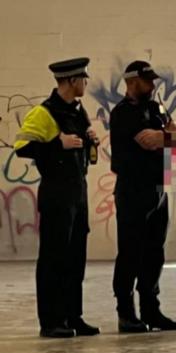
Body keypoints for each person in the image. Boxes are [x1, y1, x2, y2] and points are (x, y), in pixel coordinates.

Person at [14, 58, 100, 338]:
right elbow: (22, 146)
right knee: (54, 259)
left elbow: (80, 148)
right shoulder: (44, 112)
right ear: (72, 80)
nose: (86, 83)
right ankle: (51, 321)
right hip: (56, 193)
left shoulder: (78, 111)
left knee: (76, 258)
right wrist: (56, 144)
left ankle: (73, 317)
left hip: (78, 192)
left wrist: (90, 140)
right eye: (83, 79)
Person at [109, 60, 176, 333]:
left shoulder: (156, 107)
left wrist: (164, 136)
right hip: (133, 191)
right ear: (131, 82)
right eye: (147, 81)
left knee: (154, 253)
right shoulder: (122, 114)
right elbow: (150, 140)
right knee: (130, 252)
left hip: (157, 189)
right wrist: (166, 136)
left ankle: (152, 310)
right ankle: (126, 313)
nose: (153, 85)